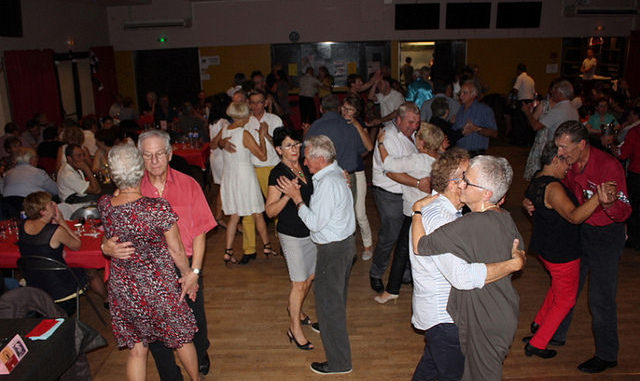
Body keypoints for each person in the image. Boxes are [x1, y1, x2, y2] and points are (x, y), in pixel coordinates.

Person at [102, 130, 217, 379]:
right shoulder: (129, 188)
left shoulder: (189, 184)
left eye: (159, 154)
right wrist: (105, 247)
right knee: (155, 336)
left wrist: (193, 272)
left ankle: (201, 355)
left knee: (194, 320)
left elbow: (200, 233)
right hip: (150, 274)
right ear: (139, 157)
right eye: (147, 155)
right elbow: (111, 229)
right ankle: (170, 373)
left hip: (184, 265)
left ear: (170, 154)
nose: (154, 160)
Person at [409, 148, 525, 381]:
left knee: (430, 369)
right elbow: (462, 277)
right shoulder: (440, 218)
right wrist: (512, 265)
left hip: (448, 316)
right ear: (454, 184)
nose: (466, 183)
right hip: (446, 318)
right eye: (466, 177)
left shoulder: (454, 215)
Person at [539, 121, 630, 373]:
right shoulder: (569, 164)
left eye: (564, 147)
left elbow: (624, 212)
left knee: (601, 298)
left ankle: (607, 354)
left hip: (606, 235)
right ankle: (556, 333)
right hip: (581, 230)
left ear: (581, 144)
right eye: (558, 146)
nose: (560, 152)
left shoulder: (608, 166)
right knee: (568, 285)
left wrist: (609, 205)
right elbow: (551, 183)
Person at [523, 142, 615, 359]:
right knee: (566, 300)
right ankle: (537, 343)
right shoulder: (553, 187)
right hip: (561, 252)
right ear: (555, 160)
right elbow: (574, 216)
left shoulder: (537, 178)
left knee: (558, 288)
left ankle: (538, 323)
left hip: (546, 248)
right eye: (565, 161)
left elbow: (531, 202)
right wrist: (597, 199)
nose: (569, 165)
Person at [276, 135, 356, 375]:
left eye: (308, 157)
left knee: (329, 308)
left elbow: (315, 224)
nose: (305, 161)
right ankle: (332, 333)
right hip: (343, 246)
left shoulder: (330, 183)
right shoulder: (334, 173)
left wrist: (297, 199)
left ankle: (340, 363)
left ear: (321, 159)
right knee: (335, 301)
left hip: (333, 251)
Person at [374, 123, 445, 304]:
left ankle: (392, 290)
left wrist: (381, 143)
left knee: (402, 252)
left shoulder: (417, 160)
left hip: (415, 213)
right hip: (434, 213)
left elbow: (388, 163)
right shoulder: (441, 160)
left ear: (421, 143)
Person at [265, 127, 316, 351]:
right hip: (291, 233)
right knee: (298, 283)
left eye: (296, 144)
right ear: (278, 149)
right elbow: (270, 212)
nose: (294, 149)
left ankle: (298, 311)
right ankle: (294, 328)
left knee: (310, 278)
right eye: (288, 146)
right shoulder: (278, 174)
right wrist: (288, 195)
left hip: (311, 229)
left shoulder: (305, 165)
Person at [369, 102, 429, 293]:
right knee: (390, 236)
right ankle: (376, 273)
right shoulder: (389, 137)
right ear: (398, 119)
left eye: (417, 123)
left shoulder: (410, 133)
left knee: (408, 236)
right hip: (390, 194)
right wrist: (419, 184)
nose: (414, 126)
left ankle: (403, 272)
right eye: (411, 122)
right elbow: (391, 172)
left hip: (407, 194)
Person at [18, 191, 106, 316]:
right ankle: (107, 299)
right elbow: (77, 245)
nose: (55, 204)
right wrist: (61, 221)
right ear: (43, 212)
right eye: (50, 204)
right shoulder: (55, 231)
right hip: (59, 287)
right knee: (90, 269)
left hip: (34, 282)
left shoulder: (23, 225)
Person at [218, 102, 272, 265]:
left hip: (229, 176)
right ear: (245, 116)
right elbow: (263, 156)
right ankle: (267, 246)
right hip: (244, 176)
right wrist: (262, 136)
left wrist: (221, 143)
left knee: (235, 216)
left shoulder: (225, 130)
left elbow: (217, 144)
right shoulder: (244, 134)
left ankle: (228, 252)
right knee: (257, 212)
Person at [238, 89, 283, 264]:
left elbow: (281, 145)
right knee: (248, 211)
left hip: (271, 167)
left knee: (277, 209)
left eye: (259, 102)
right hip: (250, 169)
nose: (256, 106)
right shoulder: (244, 122)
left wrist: (266, 135)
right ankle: (249, 250)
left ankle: (284, 245)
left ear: (265, 102)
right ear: (249, 104)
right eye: (253, 102)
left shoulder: (274, 120)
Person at [339, 94, 374, 260]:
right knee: (344, 213)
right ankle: (348, 248)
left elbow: (369, 146)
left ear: (356, 111)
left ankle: (368, 245)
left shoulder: (359, 125)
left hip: (357, 172)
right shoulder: (337, 124)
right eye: (344, 108)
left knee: (359, 212)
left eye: (349, 109)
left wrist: (357, 126)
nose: (345, 112)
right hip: (339, 173)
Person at [522, 79, 578, 180]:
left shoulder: (558, 110)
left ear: (560, 93)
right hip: (569, 148)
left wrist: (527, 113)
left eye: (554, 91)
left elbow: (536, 126)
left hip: (556, 150)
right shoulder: (573, 108)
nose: (552, 93)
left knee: (548, 178)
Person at [451, 81, 498, 156]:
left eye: (464, 93)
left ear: (474, 94)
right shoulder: (460, 109)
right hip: (460, 153)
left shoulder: (484, 110)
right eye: (460, 93)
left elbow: (494, 133)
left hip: (476, 154)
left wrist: (477, 129)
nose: (461, 96)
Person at [618, 109, 640, 250]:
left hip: (636, 175)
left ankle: (634, 240)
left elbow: (623, 154)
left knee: (635, 209)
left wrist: (610, 146)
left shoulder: (635, 132)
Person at [509, 63, 536, 146]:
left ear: (519, 70)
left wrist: (512, 96)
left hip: (522, 101)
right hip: (530, 101)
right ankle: (527, 140)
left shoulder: (520, 77)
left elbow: (515, 89)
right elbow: (534, 92)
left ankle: (519, 141)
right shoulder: (531, 79)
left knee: (518, 122)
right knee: (527, 121)